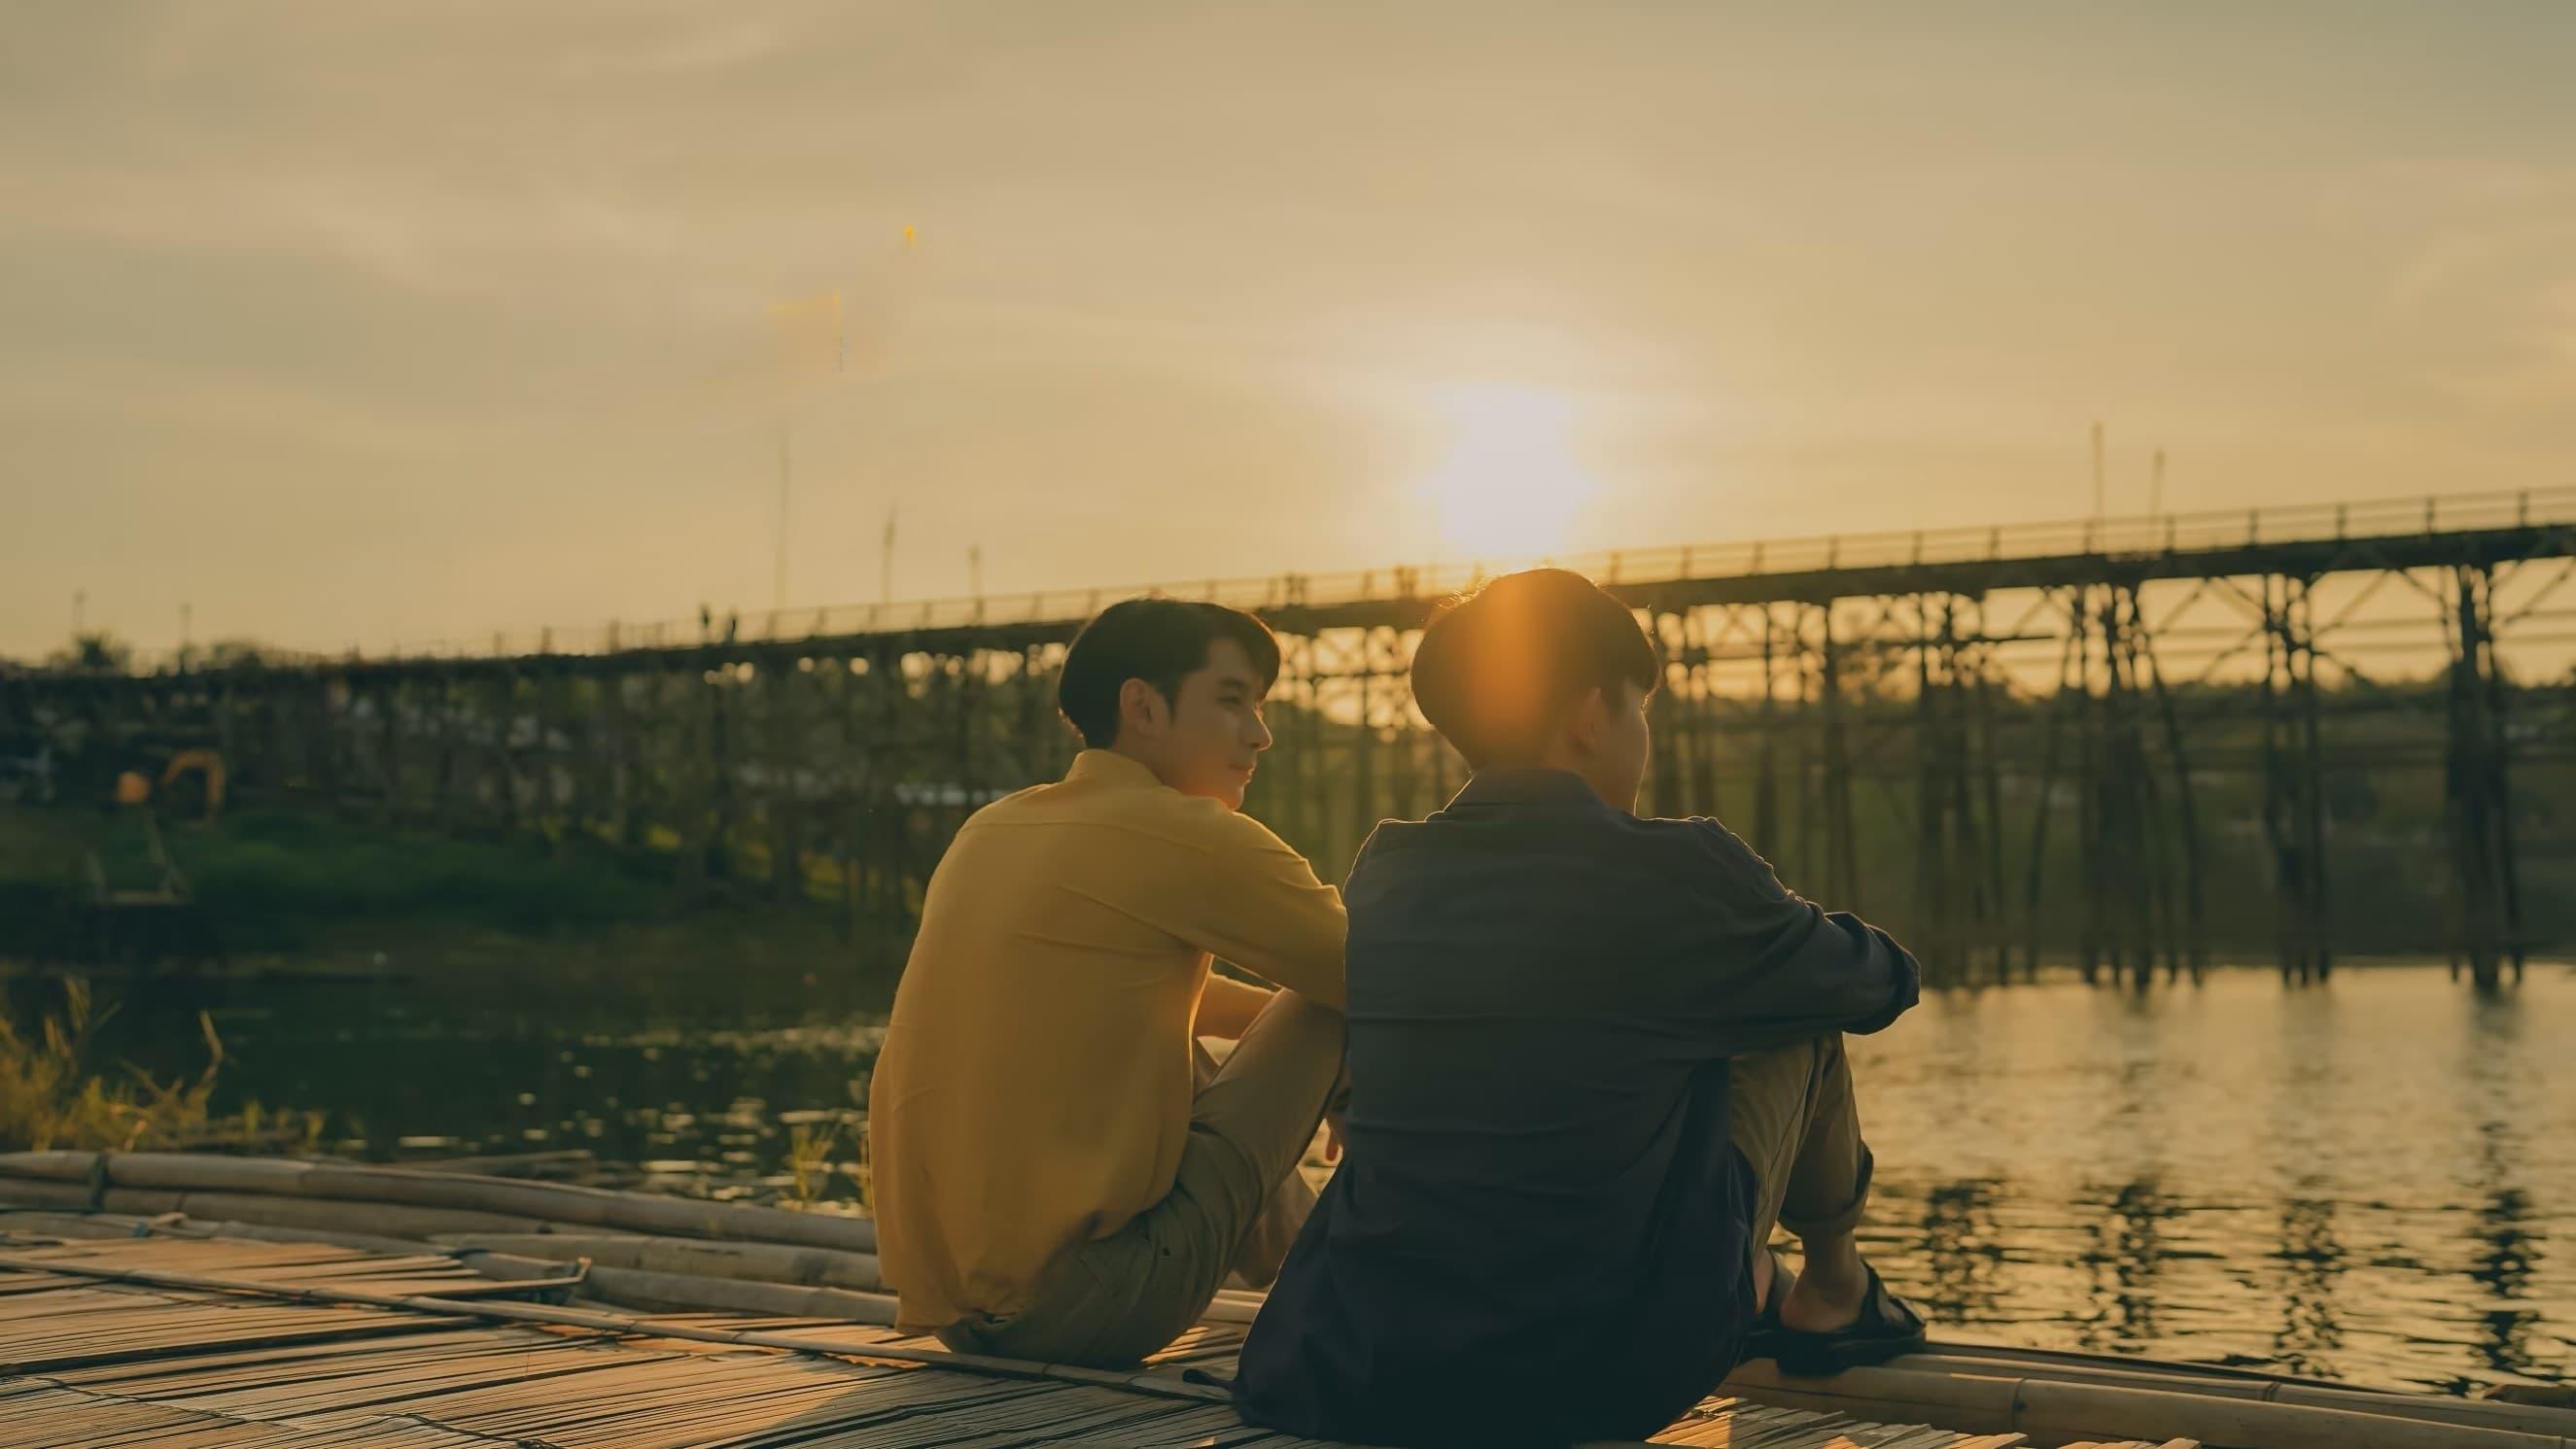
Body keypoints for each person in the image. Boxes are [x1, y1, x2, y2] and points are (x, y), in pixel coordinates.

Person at [1236, 569, 1927, 1448]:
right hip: (1596, 1373)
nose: (1642, 738)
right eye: (1641, 710)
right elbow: (1875, 985)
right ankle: (1833, 1290)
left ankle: (1780, 1280)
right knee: (1797, 1010)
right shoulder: (1679, 872)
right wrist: (1779, 932)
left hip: (1364, 1359)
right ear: (1591, 712)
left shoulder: (1389, 871)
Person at [867, 598, 1347, 1368]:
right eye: (1231, 701)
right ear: (1142, 706)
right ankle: (1359, 1268)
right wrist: (1332, 1066)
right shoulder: (1182, 832)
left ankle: (1316, 1266)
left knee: (1181, 1032)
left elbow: (1138, 998)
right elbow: (1392, 978)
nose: (1260, 734)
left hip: (963, 1313)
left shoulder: (992, 828)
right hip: (1094, 1306)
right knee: (1339, 1009)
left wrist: (1283, 1051)